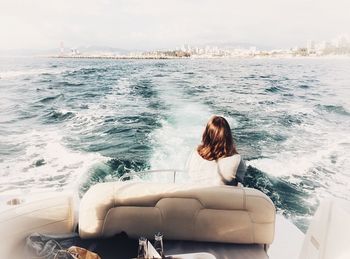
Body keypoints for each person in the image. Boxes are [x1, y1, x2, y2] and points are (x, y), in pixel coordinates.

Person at [186, 115, 246, 186]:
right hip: (223, 196)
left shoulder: (195, 154)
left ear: (206, 135)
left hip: (196, 195)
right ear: (228, 137)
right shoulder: (237, 159)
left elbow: (189, 173)